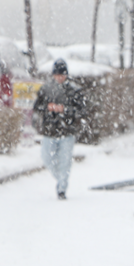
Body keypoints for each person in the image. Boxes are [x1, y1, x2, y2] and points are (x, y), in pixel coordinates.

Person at [32, 59, 86, 199]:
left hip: (67, 131)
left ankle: (62, 188)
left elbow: (81, 110)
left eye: (62, 75)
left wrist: (65, 110)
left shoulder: (74, 90)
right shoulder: (46, 89)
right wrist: (48, 108)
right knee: (47, 158)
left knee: (65, 161)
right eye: (57, 75)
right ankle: (60, 177)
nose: (59, 78)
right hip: (49, 131)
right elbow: (37, 107)